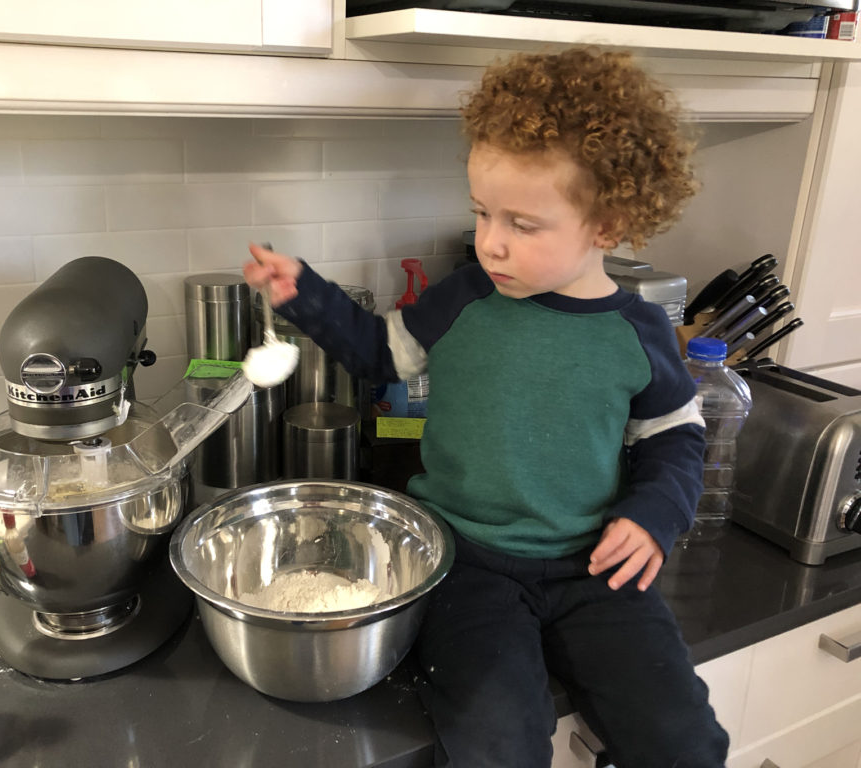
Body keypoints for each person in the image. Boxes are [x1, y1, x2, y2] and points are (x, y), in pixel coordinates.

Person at [243, 46, 729, 768]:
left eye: (522, 224)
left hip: (594, 569)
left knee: (685, 741)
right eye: (481, 213)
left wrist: (655, 515)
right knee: (495, 745)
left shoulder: (638, 331)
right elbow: (381, 354)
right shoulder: (464, 299)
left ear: (607, 222)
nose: (491, 243)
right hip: (463, 565)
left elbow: (677, 439)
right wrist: (306, 293)